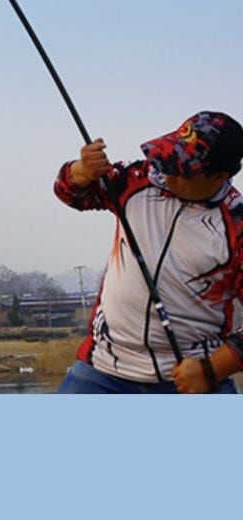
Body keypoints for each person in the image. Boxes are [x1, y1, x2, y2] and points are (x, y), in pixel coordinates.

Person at [55, 110, 243, 394]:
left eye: (183, 169)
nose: (168, 171)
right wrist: (81, 171)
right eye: (170, 158)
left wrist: (212, 369)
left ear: (220, 176)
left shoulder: (236, 225)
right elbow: (72, 194)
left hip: (190, 378)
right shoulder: (137, 179)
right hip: (102, 368)